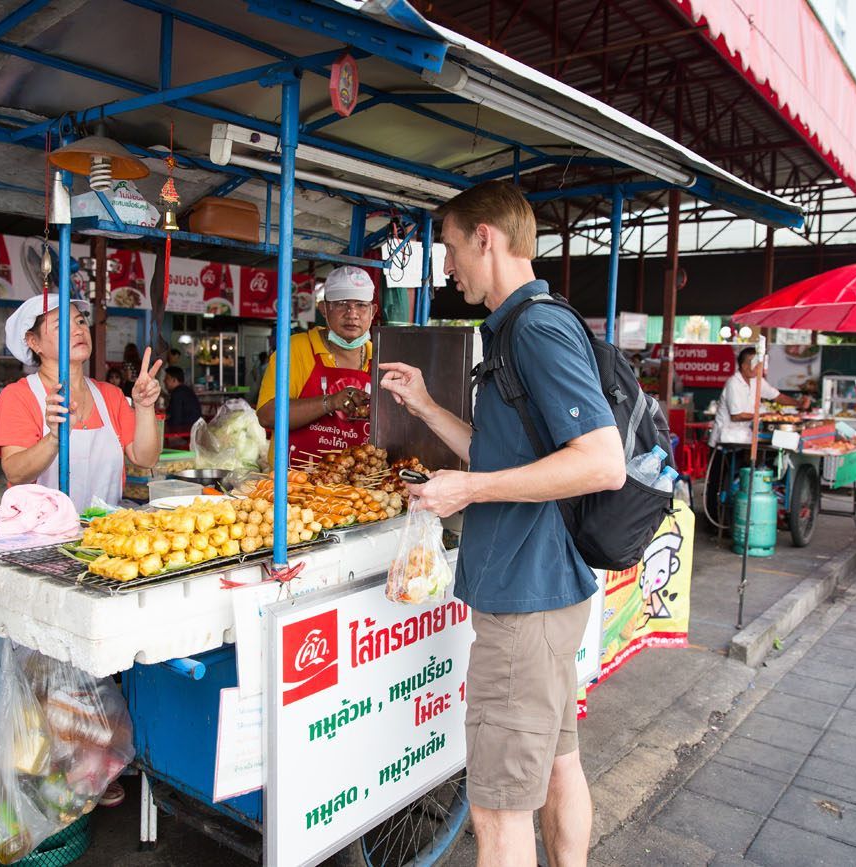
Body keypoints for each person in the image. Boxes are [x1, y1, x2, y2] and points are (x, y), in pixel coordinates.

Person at [379, 181, 623, 867]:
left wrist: (472, 489)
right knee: (554, 766)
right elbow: (500, 451)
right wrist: (427, 407)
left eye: (452, 248)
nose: (448, 267)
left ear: (486, 236)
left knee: (496, 809)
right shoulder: (520, 327)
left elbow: (602, 461)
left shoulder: (536, 328)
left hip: (526, 601)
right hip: (544, 591)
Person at [0, 296, 163, 512]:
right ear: (34, 342)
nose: (78, 330)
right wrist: (53, 438)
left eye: (80, 321)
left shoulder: (110, 395)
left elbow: (146, 458)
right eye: (61, 325)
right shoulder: (18, 396)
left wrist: (145, 407)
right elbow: (15, 473)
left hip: (103, 535)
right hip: (41, 537)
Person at [256, 266, 375, 457]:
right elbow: (267, 415)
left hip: (358, 482)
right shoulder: (295, 349)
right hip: (294, 482)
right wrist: (330, 402)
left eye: (361, 305)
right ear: (324, 309)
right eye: (341, 303)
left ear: (373, 311)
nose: (352, 313)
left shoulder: (379, 357)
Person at [709, 347, 811, 446]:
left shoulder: (756, 380)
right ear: (744, 366)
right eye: (756, 364)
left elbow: (777, 396)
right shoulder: (734, 383)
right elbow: (736, 416)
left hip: (744, 435)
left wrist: (799, 403)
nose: (759, 368)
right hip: (725, 437)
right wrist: (764, 416)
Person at [162, 366, 202, 440]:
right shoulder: (184, 390)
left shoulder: (178, 393)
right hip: (193, 430)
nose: (164, 381)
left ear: (174, 380)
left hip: (187, 433)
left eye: (167, 378)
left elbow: (176, 419)